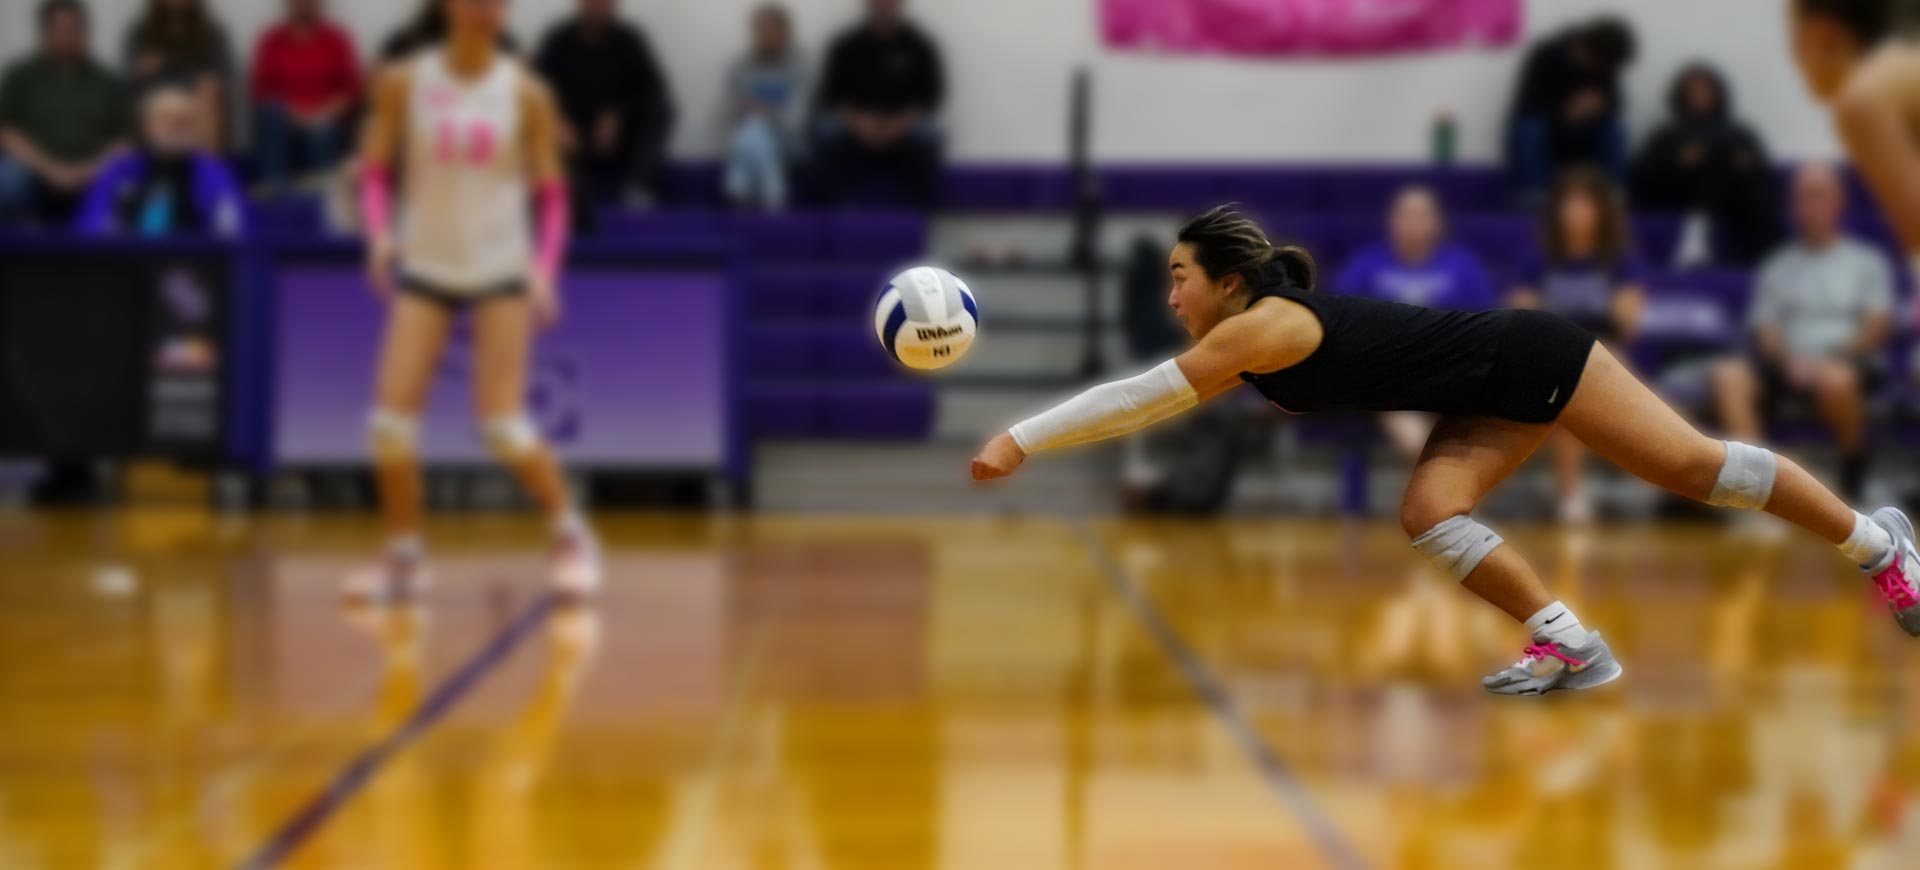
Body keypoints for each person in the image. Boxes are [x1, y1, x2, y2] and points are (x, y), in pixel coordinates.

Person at [970, 206, 1920, 696]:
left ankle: (1878, 544)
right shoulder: (1246, 334)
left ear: (1228, 283)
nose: (1171, 295)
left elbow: (1139, 399)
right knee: (1428, 512)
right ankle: (1570, 644)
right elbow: (1151, 397)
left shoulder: (1259, 327)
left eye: (1181, 277)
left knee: (1694, 469)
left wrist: (1020, 437)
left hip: (1530, 356)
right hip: (1479, 393)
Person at [355, 0, 598, 601]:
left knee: (501, 427)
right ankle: (405, 556)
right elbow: (374, 169)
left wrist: (544, 270)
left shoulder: (527, 92)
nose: (484, 8)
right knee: (389, 426)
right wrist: (379, 234)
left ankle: (569, 533)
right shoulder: (404, 81)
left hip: (499, 266)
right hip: (428, 263)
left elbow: (553, 193)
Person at [1710, 164, 1892, 503]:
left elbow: (1876, 326)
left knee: (1836, 379)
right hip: (1787, 363)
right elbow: (1766, 329)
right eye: (1802, 197)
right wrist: (1787, 362)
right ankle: (1755, 485)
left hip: (1844, 360)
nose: (1810, 205)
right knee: (1728, 375)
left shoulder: (1866, 262)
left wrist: (1829, 359)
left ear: (1838, 202)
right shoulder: (1776, 266)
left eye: (1818, 196)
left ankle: (1853, 471)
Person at [1510, 168, 1648, 523]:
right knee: (1566, 381)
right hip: (1550, 355)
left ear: (1601, 210)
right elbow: (1520, 314)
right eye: (1569, 203)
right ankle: (1571, 494)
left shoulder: (1621, 259)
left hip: (1606, 355)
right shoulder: (1538, 258)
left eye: (1585, 203)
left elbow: (1628, 320)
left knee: (1585, 376)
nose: (1576, 212)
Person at [1335, 185, 1499, 457]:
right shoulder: (1365, 265)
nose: (1412, 224)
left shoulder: (1463, 267)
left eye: (1421, 216)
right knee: (1417, 438)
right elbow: (1341, 323)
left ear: (1437, 223)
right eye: (1406, 215)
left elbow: (1487, 325)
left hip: (1450, 371)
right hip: (1387, 374)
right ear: (1391, 221)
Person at [1630, 62, 1781, 266]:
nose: (1699, 95)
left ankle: (1768, 259)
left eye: (1705, 90)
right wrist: (1676, 162)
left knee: (1750, 191)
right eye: (1692, 90)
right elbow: (1642, 182)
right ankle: (1697, 231)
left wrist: (1745, 165)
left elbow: (1762, 173)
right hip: (1681, 197)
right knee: (1709, 169)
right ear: (1681, 94)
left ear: (1718, 93)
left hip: (1735, 199)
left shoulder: (1739, 133)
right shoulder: (1666, 135)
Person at [0, 0, 130, 228]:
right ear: (45, 32)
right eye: (59, 29)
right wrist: (51, 170)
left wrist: (89, 170)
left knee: (129, 181)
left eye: (74, 29)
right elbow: (7, 132)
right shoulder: (20, 76)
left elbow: (124, 139)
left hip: (93, 172)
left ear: (85, 32)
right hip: (34, 170)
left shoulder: (107, 80)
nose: (67, 36)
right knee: (8, 181)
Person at [534, 0, 675, 210]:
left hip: (619, 144)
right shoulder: (559, 40)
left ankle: (638, 187)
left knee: (662, 112)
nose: (598, 6)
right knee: (538, 124)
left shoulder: (630, 41)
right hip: (572, 143)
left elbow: (654, 91)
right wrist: (557, 121)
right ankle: (561, 193)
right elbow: (535, 91)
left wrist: (619, 114)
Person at [813, 0, 944, 208]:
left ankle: (917, 212)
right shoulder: (846, 45)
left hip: (903, 126)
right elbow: (831, 96)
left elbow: (930, 97)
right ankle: (838, 209)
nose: (883, 4)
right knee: (824, 129)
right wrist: (858, 123)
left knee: (930, 133)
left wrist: (898, 125)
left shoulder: (919, 46)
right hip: (856, 126)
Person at [74, 84, 246, 237]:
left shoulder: (214, 171)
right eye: (167, 119)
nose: (177, 126)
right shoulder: (120, 168)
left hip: (194, 260)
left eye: (186, 120)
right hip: (124, 260)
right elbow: (92, 229)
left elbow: (234, 232)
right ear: (146, 125)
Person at [1504, 16, 1637, 203]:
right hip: (1549, 130)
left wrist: (1599, 106)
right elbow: (1528, 104)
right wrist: (1565, 112)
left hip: (1584, 133)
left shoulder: (1605, 66)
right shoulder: (1547, 55)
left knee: (1613, 130)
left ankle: (1612, 194)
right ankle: (1533, 195)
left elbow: (1615, 102)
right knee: (1530, 129)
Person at [249, 0, 362, 194]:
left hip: (326, 123)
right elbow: (261, 93)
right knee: (271, 116)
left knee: (322, 132)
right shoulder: (271, 41)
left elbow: (351, 91)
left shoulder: (336, 40)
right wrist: (292, 114)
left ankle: (321, 197)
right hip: (283, 122)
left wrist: (321, 115)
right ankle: (275, 192)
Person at [123, 0, 236, 151]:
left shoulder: (211, 33)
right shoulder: (141, 33)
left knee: (208, 93)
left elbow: (221, 79)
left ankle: (205, 161)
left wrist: (166, 64)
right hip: (157, 101)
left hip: (196, 101)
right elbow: (130, 82)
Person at [725, 3, 806, 211]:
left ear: (785, 33)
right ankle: (773, 198)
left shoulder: (802, 65)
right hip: (753, 139)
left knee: (752, 134)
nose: (765, 36)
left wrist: (763, 111)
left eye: (770, 30)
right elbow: (734, 115)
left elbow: (797, 120)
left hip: (792, 142)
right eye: (760, 30)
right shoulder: (740, 67)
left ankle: (739, 194)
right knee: (753, 133)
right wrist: (763, 113)